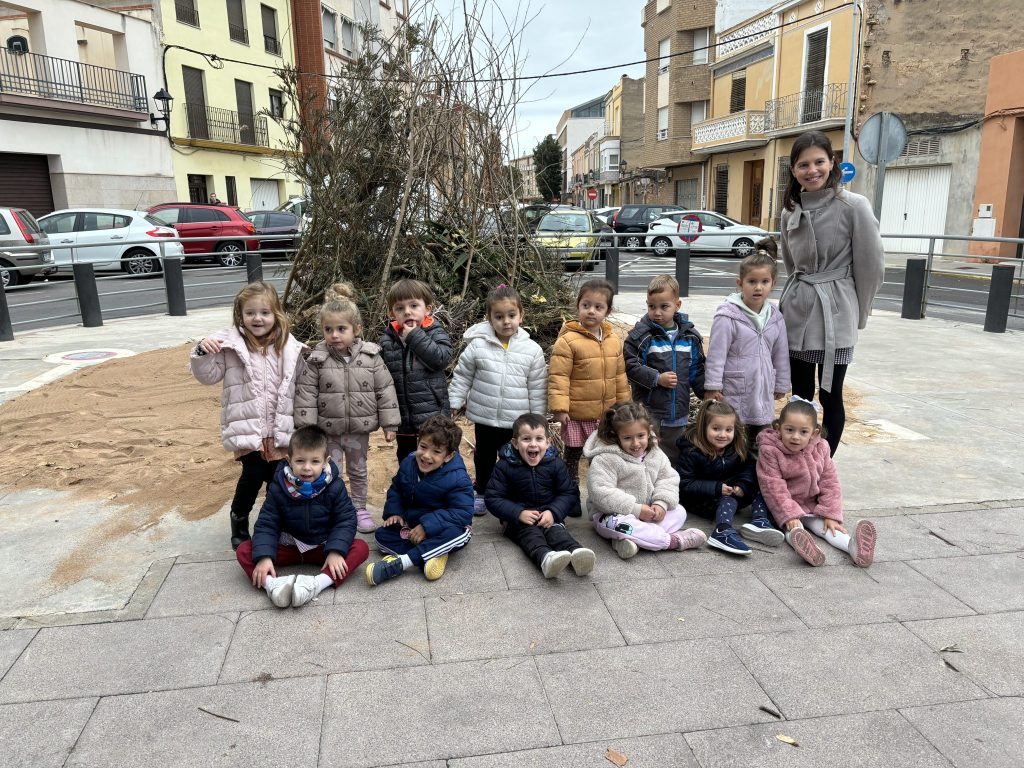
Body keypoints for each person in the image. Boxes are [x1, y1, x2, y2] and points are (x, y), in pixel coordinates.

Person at [778, 130, 885, 455]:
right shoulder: (790, 211)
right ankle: (798, 464)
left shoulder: (854, 206)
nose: (812, 170)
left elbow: (871, 266)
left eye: (819, 162)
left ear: (832, 162)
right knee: (799, 396)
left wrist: (859, 314)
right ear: (794, 170)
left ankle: (822, 466)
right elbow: (791, 264)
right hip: (797, 314)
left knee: (831, 395)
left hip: (836, 315)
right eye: (803, 165)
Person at [190, 281, 306, 550]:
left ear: (276, 314)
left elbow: (300, 383)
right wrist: (202, 352)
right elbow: (208, 376)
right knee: (252, 475)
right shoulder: (230, 346)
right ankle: (239, 519)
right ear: (240, 315)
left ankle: (274, 522)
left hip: (279, 428)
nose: (257, 318)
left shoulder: (289, 346)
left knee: (279, 479)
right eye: (250, 313)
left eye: (265, 312)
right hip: (248, 427)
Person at [294, 282, 400, 534]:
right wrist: (306, 428)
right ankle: (335, 510)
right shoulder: (317, 359)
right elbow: (306, 393)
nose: (335, 335)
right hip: (328, 431)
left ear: (356, 329)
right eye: (328, 329)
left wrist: (390, 424)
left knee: (358, 470)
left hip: (358, 431)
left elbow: (385, 389)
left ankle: (359, 508)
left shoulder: (370, 357)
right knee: (331, 471)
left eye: (341, 329)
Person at [235, 426, 369, 607]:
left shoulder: (335, 486)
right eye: (300, 461)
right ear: (289, 460)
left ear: (326, 462)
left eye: (315, 461)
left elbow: (345, 520)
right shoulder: (278, 487)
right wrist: (264, 557)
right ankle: (272, 585)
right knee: (244, 550)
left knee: (360, 548)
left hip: (322, 547)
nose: (307, 468)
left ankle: (317, 584)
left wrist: (336, 551)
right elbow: (267, 523)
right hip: (289, 546)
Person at [449, 284, 547, 516]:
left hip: (516, 420)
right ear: (489, 318)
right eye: (499, 316)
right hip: (485, 417)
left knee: (513, 457)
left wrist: (538, 418)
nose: (506, 322)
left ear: (521, 316)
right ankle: (482, 491)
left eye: (512, 315)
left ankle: (509, 494)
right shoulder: (477, 346)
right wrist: (454, 402)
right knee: (484, 457)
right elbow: (463, 376)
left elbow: (537, 386)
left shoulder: (531, 350)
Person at [756, 397, 877, 567]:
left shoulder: (821, 448)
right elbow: (772, 486)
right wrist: (789, 515)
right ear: (778, 428)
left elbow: (830, 481)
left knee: (830, 528)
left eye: (803, 432)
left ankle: (854, 548)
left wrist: (830, 513)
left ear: (814, 433)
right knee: (794, 528)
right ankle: (807, 548)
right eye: (789, 430)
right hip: (783, 507)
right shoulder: (770, 451)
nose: (795, 437)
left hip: (812, 506)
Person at [584, 401, 707, 560]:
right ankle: (672, 541)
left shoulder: (655, 452)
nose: (636, 443)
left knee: (679, 512)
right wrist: (635, 509)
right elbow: (600, 491)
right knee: (621, 525)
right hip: (612, 515)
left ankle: (633, 540)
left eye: (641, 436)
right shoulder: (605, 458)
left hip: (649, 511)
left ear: (649, 431)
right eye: (627, 438)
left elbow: (667, 478)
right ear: (615, 436)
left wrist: (660, 504)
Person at [365, 415, 474, 585]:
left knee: (457, 534)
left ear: (448, 455)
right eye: (423, 447)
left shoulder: (458, 478)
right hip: (412, 526)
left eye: (436, 452)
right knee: (381, 536)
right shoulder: (408, 463)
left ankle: (403, 562)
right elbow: (396, 488)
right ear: (418, 442)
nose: (426, 456)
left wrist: (426, 526)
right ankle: (432, 554)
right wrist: (395, 512)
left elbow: (462, 513)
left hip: (441, 528)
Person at [485, 413, 596, 578]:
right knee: (532, 537)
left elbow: (568, 492)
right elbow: (493, 498)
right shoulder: (504, 466)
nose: (533, 444)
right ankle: (546, 559)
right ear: (515, 443)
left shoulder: (556, 464)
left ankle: (577, 554)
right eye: (526, 439)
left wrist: (553, 512)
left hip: (549, 515)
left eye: (539, 439)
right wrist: (518, 513)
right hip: (518, 521)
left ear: (548, 442)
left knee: (558, 534)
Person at [705, 247, 791, 447]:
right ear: (740, 283)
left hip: (763, 387)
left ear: (773, 284)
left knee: (761, 437)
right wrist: (713, 385)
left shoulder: (775, 317)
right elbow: (717, 354)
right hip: (735, 388)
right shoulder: (728, 316)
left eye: (765, 282)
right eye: (752, 281)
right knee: (733, 434)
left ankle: (756, 466)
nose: (758, 287)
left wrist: (781, 384)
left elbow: (780, 354)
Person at [549, 279, 631, 483]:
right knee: (573, 454)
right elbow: (559, 377)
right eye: (586, 305)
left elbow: (620, 376)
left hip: (605, 415)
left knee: (601, 457)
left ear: (608, 311)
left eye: (598, 307)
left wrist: (624, 406)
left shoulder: (613, 340)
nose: (591, 311)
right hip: (577, 414)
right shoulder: (567, 341)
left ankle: (599, 490)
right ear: (578, 306)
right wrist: (560, 408)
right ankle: (570, 490)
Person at [677, 400, 782, 555]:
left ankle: (759, 521)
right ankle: (722, 531)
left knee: (763, 486)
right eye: (716, 429)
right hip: (701, 500)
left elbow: (749, 467)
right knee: (728, 499)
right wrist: (716, 488)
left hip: (731, 491)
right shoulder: (692, 451)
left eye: (728, 429)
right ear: (703, 427)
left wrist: (743, 485)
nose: (723, 435)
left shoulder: (735, 446)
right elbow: (684, 484)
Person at [624, 274, 705, 467]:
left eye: (664, 306)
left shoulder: (690, 337)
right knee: (646, 455)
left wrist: (707, 393)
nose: (657, 312)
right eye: (652, 306)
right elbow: (631, 366)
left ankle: (670, 485)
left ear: (677, 305)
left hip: (678, 412)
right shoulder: (642, 336)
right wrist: (657, 378)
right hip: (649, 412)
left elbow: (697, 369)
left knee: (674, 456)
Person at [379, 279, 454, 462]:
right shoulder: (387, 341)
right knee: (406, 459)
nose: (407, 311)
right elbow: (381, 379)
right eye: (400, 308)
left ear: (427, 309)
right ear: (392, 313)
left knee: (435, 457)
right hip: (403, 418)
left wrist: (415, 336)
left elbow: (441, 359)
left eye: (414, 305)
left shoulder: (435, 332)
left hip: (433, 415)